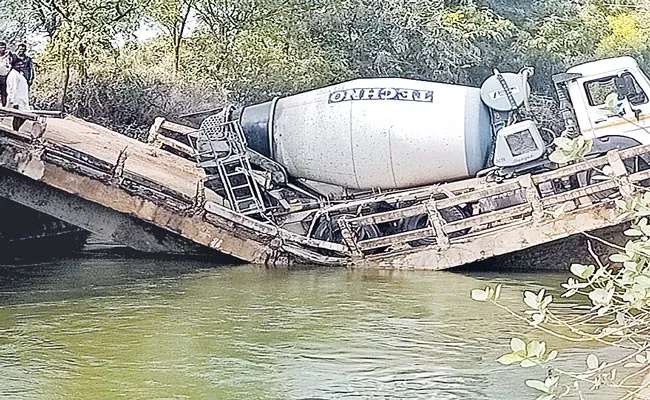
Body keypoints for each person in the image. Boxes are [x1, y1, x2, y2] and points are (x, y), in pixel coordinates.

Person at [6, 58, 30, 131]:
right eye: (18, 65)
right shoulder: (13, 75)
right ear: (14, 66)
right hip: (17, 100)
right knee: (18, 116)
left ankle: (16, 130)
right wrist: (14, 102)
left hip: (22, 99)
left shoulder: (20, 74)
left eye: (22, 64)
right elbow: (13, 89)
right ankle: (15, 130)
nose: (21, 66)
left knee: (23, 116)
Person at [0, 42, 12, 107]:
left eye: (4, 47)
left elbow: (10, 64)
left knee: (4, 92)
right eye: (1, 48)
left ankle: (4, 107)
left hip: (4, 76)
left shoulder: (8, 56)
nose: (3, 49)